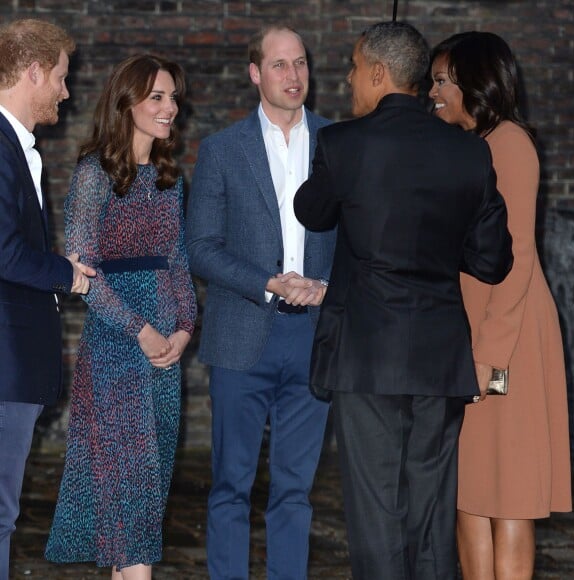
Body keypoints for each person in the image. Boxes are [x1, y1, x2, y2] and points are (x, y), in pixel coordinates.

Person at [294, 21, 514, 580]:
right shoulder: (469, 152)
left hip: (368, 355)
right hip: (440, 357)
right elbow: (493, 260)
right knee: (432, 512)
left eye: (351, 67)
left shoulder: (345, 143)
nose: (347, 79)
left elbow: (310, 212)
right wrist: (437, 249)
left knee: (377, 515)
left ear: (377, 73)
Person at [186, 24, 335, 579]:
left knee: (296, 490)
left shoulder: (336, 143)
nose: (293, 76)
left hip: (313, 335)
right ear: (255, 73)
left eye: (300, 63)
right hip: (242, 332)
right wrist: (268, 281)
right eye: (279, 65)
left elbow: (359, 239)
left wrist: (327, 287)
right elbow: (199, 248)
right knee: (230, 485)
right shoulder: (222, 150)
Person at [44, 54, 197, 580]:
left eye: (173, 97)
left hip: (163, 358)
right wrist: (143, 330)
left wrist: (183, 328)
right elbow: (84, 271)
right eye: (157, 97)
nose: (170, 107)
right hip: (114, 353)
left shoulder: (171, 179)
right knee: (129, 501)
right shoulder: (95, 175)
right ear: (126, 102)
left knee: (139, 505)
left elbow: (178, 259)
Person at [429, 31, 572, 580]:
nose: (433, 92)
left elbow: (518, 258)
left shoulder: (509, 143)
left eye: (442, 80)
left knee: (508, 489)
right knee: (469, 484)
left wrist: (487, 356)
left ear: (473, 80)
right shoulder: (464, 145)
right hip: (466, 332)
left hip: (505, 332)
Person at [0, 18, 96, 580]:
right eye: (60, 77)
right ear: (33, 71)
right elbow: (5, 252)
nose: (65, 89)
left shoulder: (16, 147)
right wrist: (69, 275)